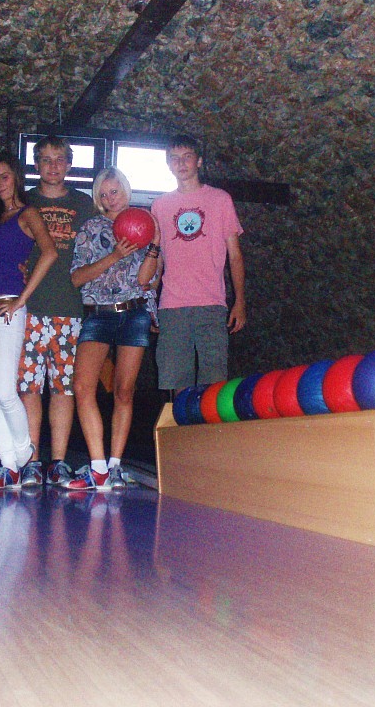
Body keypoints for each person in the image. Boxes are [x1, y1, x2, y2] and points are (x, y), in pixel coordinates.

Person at [66, 168, 159, 491]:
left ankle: (115, 466)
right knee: (82, 386)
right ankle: (98, 468)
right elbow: (77, 278)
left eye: (114, 192)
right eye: (103, 195)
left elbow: (146, 281)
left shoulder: (145, 224)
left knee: (124, 391)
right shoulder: (91, 228)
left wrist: (154, 245)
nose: (109, 199)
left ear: (126, 190)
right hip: (99, 315)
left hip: (134, 314)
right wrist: (115, 255)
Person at [0, 156, 58, 490]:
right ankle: (8, 465)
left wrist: (21, 299)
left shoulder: (28, 213)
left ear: (17, 178)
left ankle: (24, 453)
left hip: (6, 308)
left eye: (4, 177)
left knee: (6, 391)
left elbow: (50, 252)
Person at [17, 136, 97, 488]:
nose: (52, 166)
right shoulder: (23, 201)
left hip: (70, 307)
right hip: (28, 307)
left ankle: (59, 462)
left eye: (59, 159)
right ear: (36, 164)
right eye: (45, 159)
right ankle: (32, 461)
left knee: (63, 388)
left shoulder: (84, 204)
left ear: (69, 164)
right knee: (29, 387)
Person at [150, 134, 246, 394]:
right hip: (172, 305)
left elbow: (235, 255)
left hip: (211, 303)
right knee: (176, 384)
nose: (181, 164)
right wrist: (150, 302)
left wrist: (239, 301)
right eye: (174, 159)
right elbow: (157, 258)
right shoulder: (159, 205)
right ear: (168, 164)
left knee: (213, 385)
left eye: (187, 157)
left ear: (199, 161)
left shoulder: (220, 199)